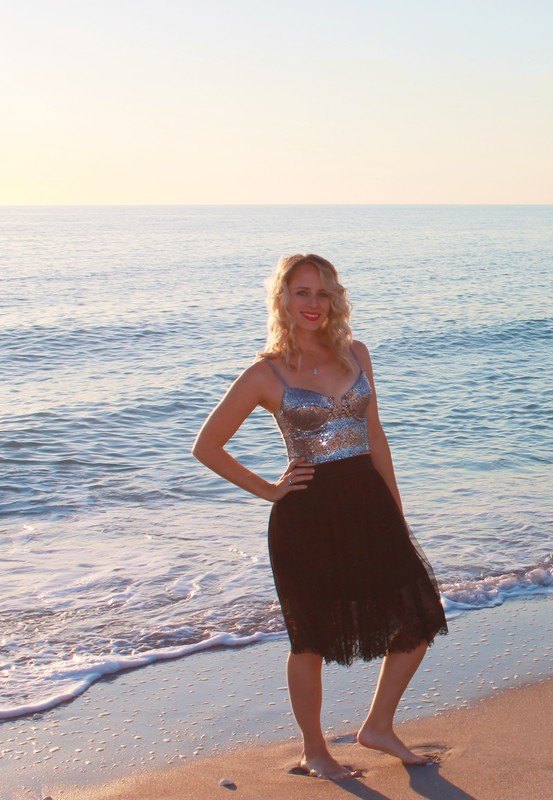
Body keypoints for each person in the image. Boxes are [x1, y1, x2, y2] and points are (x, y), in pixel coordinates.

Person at [192, 253, 449, 781]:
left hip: (368, 502)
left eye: (322, 292)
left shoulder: (356, 354)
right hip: (306, 514)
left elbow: (376, 437)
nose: (313, 303)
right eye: (302, 292)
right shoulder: (265, 372)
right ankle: (314, 749)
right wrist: (270, 490)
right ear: (282, 300)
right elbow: (207, 446)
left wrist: (395, 508)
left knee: (418, 613)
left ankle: (378, 725)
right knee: (309, 638)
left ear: (335, 299)